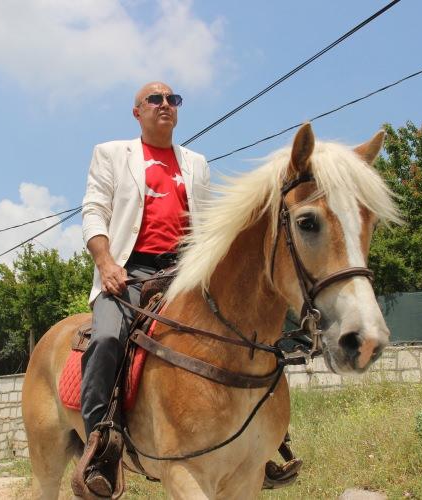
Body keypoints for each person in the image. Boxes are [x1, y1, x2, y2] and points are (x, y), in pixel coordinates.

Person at [79, 82, 301, 496]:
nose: (166, 105)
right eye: (155, 100)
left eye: (172, 100)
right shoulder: (111, 154)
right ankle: (101, 446)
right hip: (130, 271)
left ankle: (264, 443)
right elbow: (94, 211)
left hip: (188, 272)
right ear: (137, 112)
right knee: (108, 337)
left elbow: (210, 224)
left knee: (252, 334)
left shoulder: (196, 163)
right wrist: (106, 262)